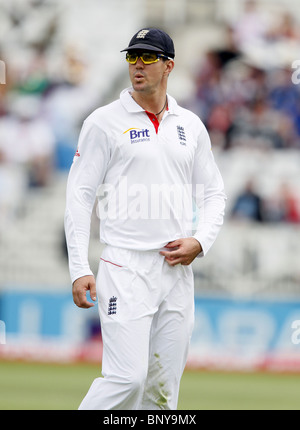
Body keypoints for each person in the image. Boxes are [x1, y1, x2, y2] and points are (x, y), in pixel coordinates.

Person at [64, 27, 226, 410]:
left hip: (175, 270)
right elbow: (78, 196)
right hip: (124, 265)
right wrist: (77, 267)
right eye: (133, 57)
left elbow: (215, 193)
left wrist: (201, 241)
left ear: (168, 65)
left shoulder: (190, 125)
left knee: (162, 392)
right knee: (127, 378)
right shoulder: (103, 122)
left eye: (148, 57)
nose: (138, 64)